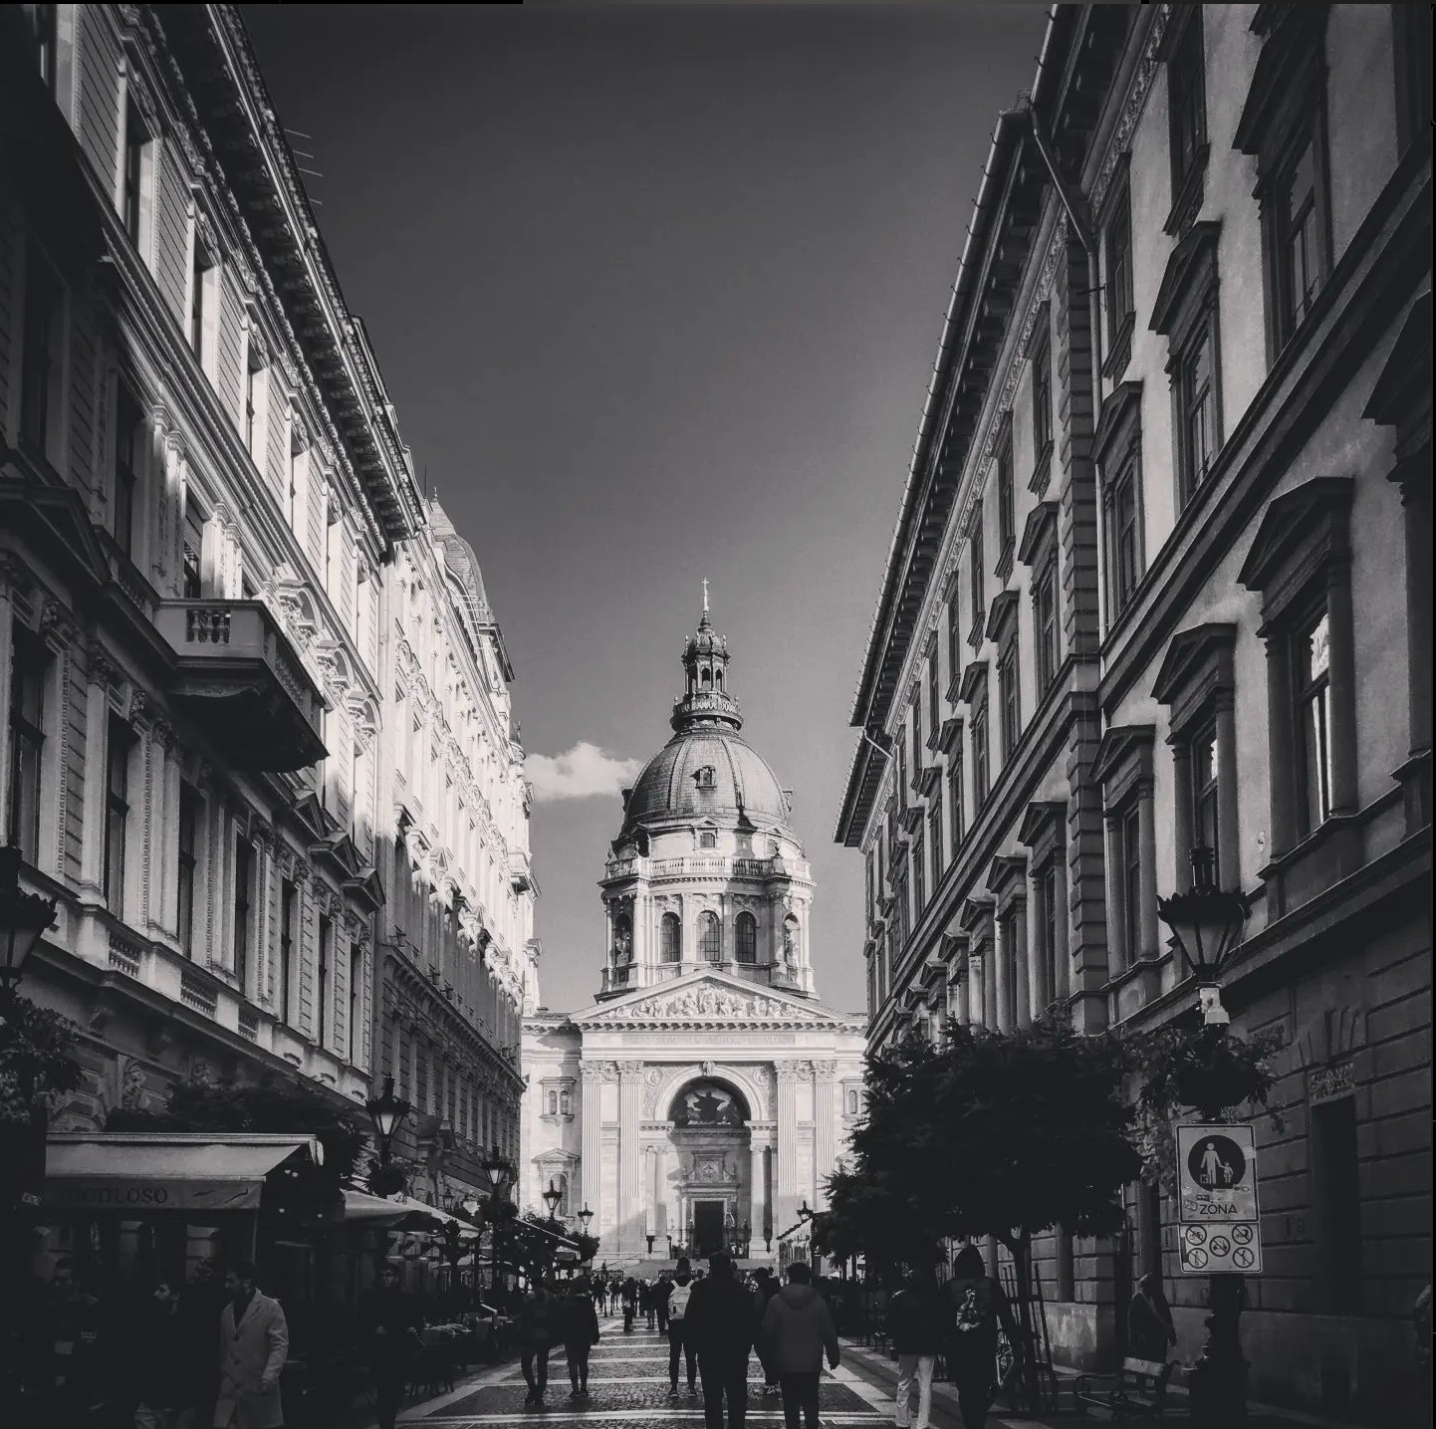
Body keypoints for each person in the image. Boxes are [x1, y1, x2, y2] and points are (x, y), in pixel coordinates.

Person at [945, 1245, 1020, 1429]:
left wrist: (941, 1344)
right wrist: (1017, 1343)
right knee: (982, 1389)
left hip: (958, 1348)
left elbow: (941, 1319)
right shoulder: (992, 1285)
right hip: (984, 1346)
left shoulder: (949, 1287)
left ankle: (972, 1422)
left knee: (965, 1390)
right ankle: (977, 1422)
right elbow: (1006, 1316)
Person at [758, 1262, 839, 1429]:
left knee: (790, 1406)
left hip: (786, 1362)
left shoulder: (776, 1301)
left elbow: (767, 1333)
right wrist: (833, 1355)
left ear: (789, 1277)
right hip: (811, 1362)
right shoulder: (818, 1302)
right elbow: (829, 1332)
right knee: (811, 1405)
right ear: (808, 1279)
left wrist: (768, 1358)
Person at [685, 1252, 759, 1429]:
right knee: (737, 1403)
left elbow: (690, 1322)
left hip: (709, 1354)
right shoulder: (742, 1291)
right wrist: (745, 1347)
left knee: (712, 1402)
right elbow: (752, 1324)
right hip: (736, 1355)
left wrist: (694, 1348)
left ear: (711, 1268)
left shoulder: (700, 1290)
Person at [215, 1262, 288, 1429]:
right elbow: (224, 1348)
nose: (226, 1286)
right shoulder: (227, 1312)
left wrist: (268, 1377)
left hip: (258, 1391)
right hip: (230, 1393)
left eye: (231, 1281)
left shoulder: (270, 1308)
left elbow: (279, 1345)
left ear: (246, 1282)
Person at [358, 1265, 422, 1429]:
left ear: (397, 1278)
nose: (385, 1278)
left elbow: (416, 1320)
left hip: (399, 1352)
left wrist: (413, 1327)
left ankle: (388, 1420)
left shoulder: (406, 1299)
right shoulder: (374, 1298)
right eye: (383, 1275)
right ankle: (386, 1424)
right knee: (385, 1392)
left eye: (389, 1275)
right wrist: (374, 1328)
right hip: (382, 1352)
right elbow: (364, 1320)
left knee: (393, 1392)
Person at [886, 1267, 945, 1429]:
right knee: (925, 1385)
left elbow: (889, 1323)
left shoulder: (898, 1298)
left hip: (906, 1346)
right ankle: (922, 1423)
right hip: (927, 1346)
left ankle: (902, 1421)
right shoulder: (933, 1299)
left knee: (904, 1383)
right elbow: (940, 1324)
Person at [519, 1277, 558, 1407]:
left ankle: (533, 1390)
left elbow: (523, 1316)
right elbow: (556, 1317)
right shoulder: (551, 1297)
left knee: (526, 1365)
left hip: (529, 1336)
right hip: (545, 1336)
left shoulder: (528, 1297)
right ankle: (539, 1394)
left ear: (532, 1284)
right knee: (542, 1367)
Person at [1126, 1272, 1176, 1364]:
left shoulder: (1160, 1298)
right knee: (1143, 1367)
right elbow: (1132, 1322)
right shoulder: (1137, 1300)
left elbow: (1167, 1318)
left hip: (1158, 1340)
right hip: (1144, 1342)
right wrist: (1135, 1339)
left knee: (1159, 1364)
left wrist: (1172, 1336)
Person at [561, 1280, 600, 1397]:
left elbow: (562, 1321)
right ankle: (583, 1387)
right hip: (585, 1335)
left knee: (572, 1362)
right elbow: (593, 1319)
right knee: (583, 1362)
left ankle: (575, 1389)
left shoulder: (568, 1302)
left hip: (570, 1336)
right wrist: (595, 1334)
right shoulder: (587, 1302)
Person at [667, 1258, 698, 1395]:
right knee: (691, 1358)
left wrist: (667, 1323)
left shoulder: (670, 1285)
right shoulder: (694, 1285)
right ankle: (691, 1387)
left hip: (674, 1326)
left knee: (674, 1357)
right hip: (690, 1326)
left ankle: (674, 1387)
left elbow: (663, 1308)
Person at [751, 1269, 782, 1397]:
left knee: (765, 1357)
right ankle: (772, 1383)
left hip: (764, 1329)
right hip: (778, 1328)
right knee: (773, 1357)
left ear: (760, 1277)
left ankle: (770, 1384)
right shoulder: (778, 1289)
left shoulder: (761, 1291)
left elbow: (758, 1309)